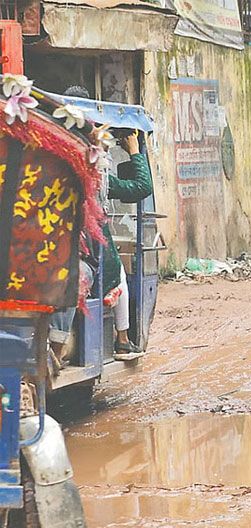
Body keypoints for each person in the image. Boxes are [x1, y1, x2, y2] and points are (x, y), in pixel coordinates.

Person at [49, 86, 152, 365]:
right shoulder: (89, 166)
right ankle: (121, 340)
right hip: (73, 250)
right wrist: (135, 153)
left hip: (75, 249)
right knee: (106, 274)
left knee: (86, 272)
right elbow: (142, 187)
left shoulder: (77, 162)